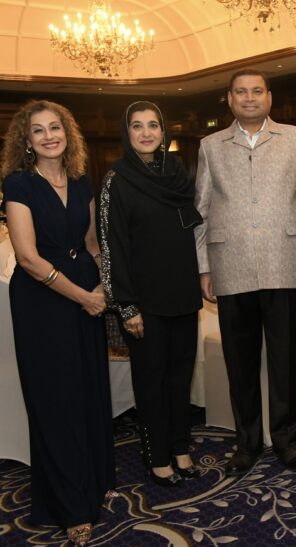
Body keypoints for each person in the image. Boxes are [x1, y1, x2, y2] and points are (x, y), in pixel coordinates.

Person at [0, 100, 115, 546]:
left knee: (87, 390)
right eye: (38, 131)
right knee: (55, 400)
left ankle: (92, 480)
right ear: (25, 141)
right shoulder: (18, 184)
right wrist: (84, 296)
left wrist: (103, 284)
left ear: (68, 133)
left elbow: (90, 243)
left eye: (55, 128)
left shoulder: (83, 179)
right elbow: (28, 258)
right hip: (43, 301)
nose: (49, 136)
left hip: (85, 289)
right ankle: (68, 506)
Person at [194, 69, 296, 475]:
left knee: (285, 361)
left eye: (256, 91)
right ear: (229, 99)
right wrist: (204, 267)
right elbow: (201, 209)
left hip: (286, 261)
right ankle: (246, 443)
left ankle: (286, 439)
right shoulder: (210, 146)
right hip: (231, 266)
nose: (249, 98)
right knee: (239, 363)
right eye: (241, 92)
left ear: (269, 97)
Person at [99, 101, 203, 487]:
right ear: (127, 133)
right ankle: (157, 454)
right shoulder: (116, 180)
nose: (146, 133)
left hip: (183, 293)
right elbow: (112, 248)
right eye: (138, 126)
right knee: (151, 381)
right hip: (143, 302)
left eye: (154, 125)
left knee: (180, 378)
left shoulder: (177, 174)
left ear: (164, 132)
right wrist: (126, 306)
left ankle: (180, 448)